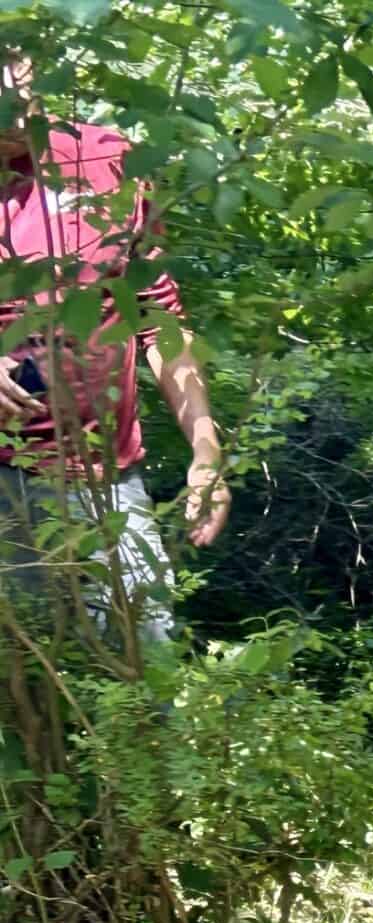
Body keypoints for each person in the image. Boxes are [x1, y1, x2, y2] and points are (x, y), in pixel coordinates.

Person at [0, 52, 229, 646]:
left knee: (143, 678)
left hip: (98, 482)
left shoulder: (106, 160)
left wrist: (206, 451)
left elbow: (157, 318)